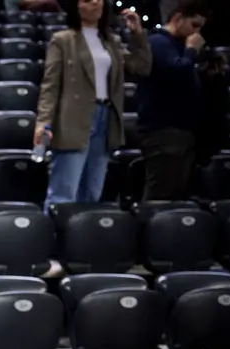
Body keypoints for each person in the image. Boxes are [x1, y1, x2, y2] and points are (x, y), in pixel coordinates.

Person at [35, 0, 151, 210]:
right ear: (76, 6)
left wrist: (137, 35)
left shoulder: (111, 42)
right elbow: (50, 85)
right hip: (74, 118)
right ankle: (53, 240)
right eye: (88, 0)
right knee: (63, 192)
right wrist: (43, 122)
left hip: (106, 117)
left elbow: (141, 67)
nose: (96, 2)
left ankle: (81, 239)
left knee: (92, 192)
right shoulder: (62, 40)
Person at [136, 0, 208, 201]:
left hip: (181, 129)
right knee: (161, 190)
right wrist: (192, 50)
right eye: (194, 25)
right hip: (161, 129)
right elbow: (176, 71)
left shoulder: (179, 45)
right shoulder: (159, 42)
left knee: (176, 191)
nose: (197, 33)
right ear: (178, 18)